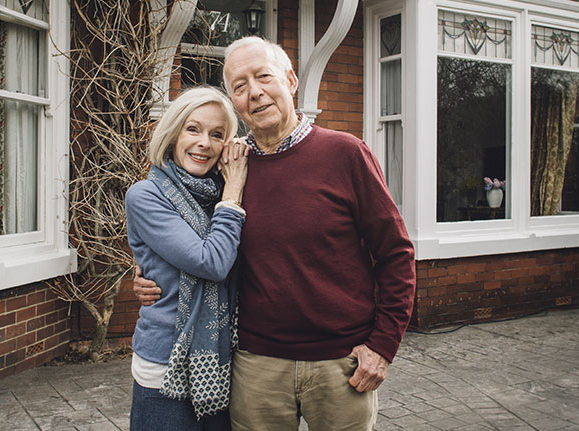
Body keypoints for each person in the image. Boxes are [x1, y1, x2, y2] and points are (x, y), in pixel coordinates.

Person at [135, 36, 416, 431]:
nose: (255, 92)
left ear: (290, 80)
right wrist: (147, 275)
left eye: (263, 77)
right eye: (240, 85)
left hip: (341, 364)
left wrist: (383, 345)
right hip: (254, 365)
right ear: (233, 100)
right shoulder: (226, 168)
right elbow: (192, 238)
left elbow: (396, 253)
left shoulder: (347, 154)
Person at [125, 86, 249, 430]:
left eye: (217, 134)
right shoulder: (146, 195)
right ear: (172, 132)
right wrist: (233, 196)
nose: (204, 143)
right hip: (165, 365)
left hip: (223, 364)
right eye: (192, 129)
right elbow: (211, 262)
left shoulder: (219, 194)